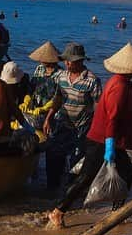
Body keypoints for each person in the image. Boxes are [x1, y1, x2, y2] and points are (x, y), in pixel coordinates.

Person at [47, 43, 132, 228]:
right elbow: (112, 118)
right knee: (86, 177)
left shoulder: (121, 82)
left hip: (105, 138)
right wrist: (110, 145)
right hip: (102, 139)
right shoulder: (119, 86)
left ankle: (117, 212)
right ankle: (58, 211)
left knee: (127, 173)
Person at [43, 42, 102, 190]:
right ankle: (52, 188)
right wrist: (48, 117)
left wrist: (97, 130)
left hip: (83, 127)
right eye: (66, 60)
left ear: (80, 61)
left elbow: (100, 106)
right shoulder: (62, 77)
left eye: (71, 61)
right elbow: (57, 99)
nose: (67, 63)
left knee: (77, 160)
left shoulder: (92, 80)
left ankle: (72, 191)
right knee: (53, 153)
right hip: (63, 123)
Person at [25, 41, 63, 129]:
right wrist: (27, 99)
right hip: (36, 106)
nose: (40, 60)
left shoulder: (60, 73)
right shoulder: (40, 68)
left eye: (43, 58)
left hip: (50, 108)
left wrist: (45, 108)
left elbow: (58, 96)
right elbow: (33, 85)